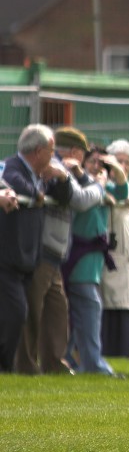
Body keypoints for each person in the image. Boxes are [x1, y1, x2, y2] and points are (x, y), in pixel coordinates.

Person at [17, 126, 104, 375]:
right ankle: (25, 366)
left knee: (57, 310)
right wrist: (98, 187)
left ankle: (54, 364)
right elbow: (80, 200)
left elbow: (75, 193)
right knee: (33, 311)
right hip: (41, 250)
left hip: (55, 252)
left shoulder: (60, 168)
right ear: (76, 152)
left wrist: (80, 177)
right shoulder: (51, 168)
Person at [0, 125, 70, 372]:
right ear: (39, 151)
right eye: (52, 151)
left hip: (28, 258)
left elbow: (65, 197)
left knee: (19, 314)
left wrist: (62, 177)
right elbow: (13, 182)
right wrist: (35, 193)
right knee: (16, 313)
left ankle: (7, 368)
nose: (54, 156)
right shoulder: (12, 166)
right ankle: (6, 368)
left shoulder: (43, 173)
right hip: (8, 257)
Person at [61, 145, 128, 376]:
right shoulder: (80, 185)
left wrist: (115, 168)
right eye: (93, 162)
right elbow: (86, 200)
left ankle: (76, 361)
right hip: (78, 256)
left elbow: (123, 191)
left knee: (79, 310)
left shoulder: (103, 187)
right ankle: (92, 364)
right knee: (87, 308)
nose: (98, 167)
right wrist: (97, 184)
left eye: (103, 164)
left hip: (93, 259)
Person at [100, 139, 129, 359]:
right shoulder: (106, 186)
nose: (123, 167)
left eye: (127, 163)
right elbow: (121, 192)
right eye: (119, 162)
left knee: (124, 310)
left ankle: (125, 357)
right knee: (111, 308)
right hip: (112, 260)